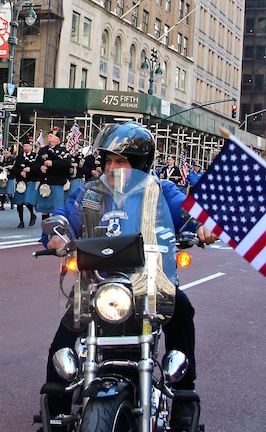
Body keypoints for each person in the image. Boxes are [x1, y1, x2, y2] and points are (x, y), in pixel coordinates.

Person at [41, 122, 219, 427]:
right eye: (108, 160)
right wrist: (57, 232)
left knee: (183, 308)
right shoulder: (90, 193)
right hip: (98, 286)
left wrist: (203, 226)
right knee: (64, 336)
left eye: (120, 161)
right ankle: (56, 402)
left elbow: (189, 213)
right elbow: (64, 215)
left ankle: (185, 392)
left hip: (150, 283)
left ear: (139, 164)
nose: (111, 167)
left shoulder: (161, 190)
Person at [33, 127, 72, 222]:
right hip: (45, 183)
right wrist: (40, 168)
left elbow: (67, 163)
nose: (49, 138)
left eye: (51, 136)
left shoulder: (62, 150)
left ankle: (56, 233)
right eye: (48, 136)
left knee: (57, 210)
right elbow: (36, 163)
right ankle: (45, 235)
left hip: (57, 182)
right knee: (45, 210)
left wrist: (53, 163)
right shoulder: (43, 150)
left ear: (57, 139)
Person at [11, 137, 38, 228]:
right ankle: (21, 221)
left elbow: (37, 167)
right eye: (24, 146)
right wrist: (20, 172)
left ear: (31, 147)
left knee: (27, 201)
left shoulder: (35, 156)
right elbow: (15, 168)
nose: (26, 148)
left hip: (30, 181)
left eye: (27, 146)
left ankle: (32, 215)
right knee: (19, 202)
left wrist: (29, 170)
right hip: (21, 182)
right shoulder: (19, 157)